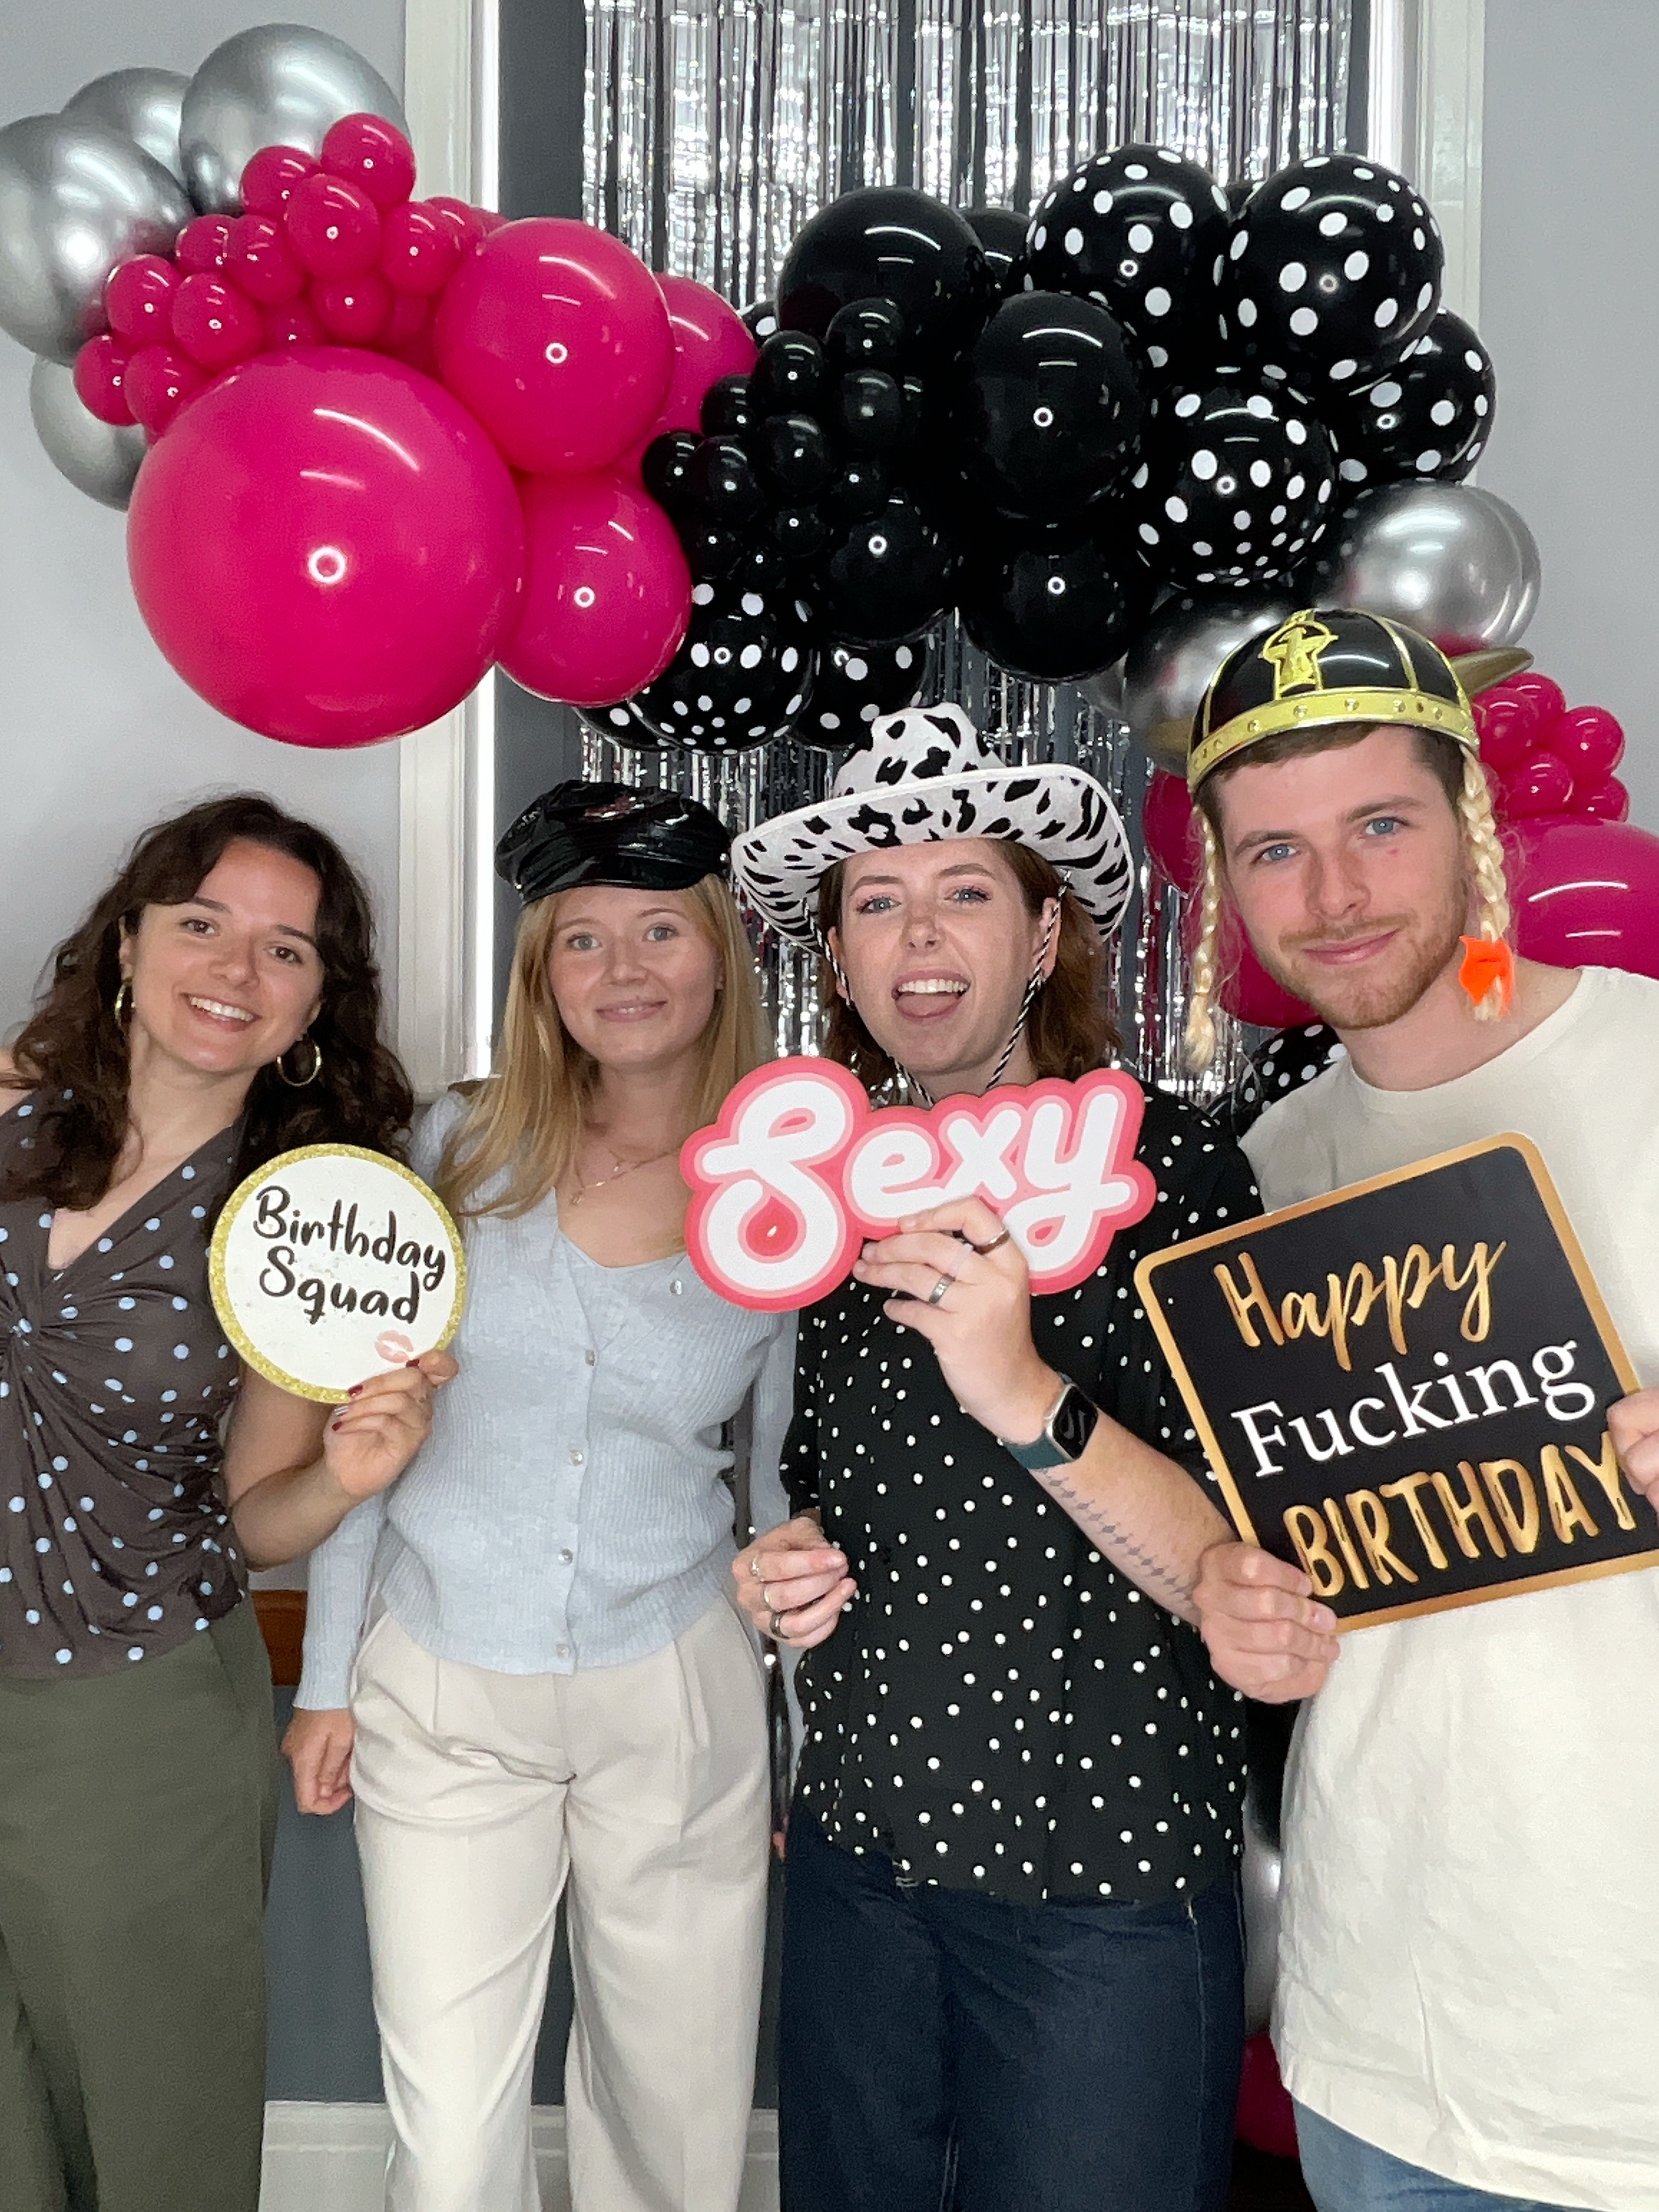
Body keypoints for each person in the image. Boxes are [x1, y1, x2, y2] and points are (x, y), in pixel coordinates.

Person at [727, 705, 1259, 2212]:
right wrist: (780, 1572)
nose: (918, 932)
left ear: (1041, 936)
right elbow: (827, 1487)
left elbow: (1243, 1560)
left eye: (966, 889)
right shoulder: (825, 1211)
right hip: (863, 1859)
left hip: (1106, 1882)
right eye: (876, 902)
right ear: (837, 958)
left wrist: (1019, 1384)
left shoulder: (1175, 1167)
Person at [1183, 609, 1659, 2212]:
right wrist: (1241, 1603)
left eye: (1379, 826)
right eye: (1274, 854)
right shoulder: (1275, 1169)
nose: (1333, 897)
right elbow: (1302, 1547)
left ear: (1470, 819)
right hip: (1378, 2022)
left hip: (1623, 2049)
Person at [284, 781, 795, 2212]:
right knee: (450, 2139)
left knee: (674, 2118)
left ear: (718, 955)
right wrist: (326, 1676)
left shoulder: (782, 1193)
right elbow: (365, 1427)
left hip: (675, 1693)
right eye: (581, 938)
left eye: (658, 931)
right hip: (442, 1686)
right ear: (538, 971)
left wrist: (786, 1727)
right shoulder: (447, 1152)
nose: (623, 972)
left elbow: (779, 1485)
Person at [0, 794, 450, 2212]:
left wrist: (347, 1473)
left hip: (128, 1707)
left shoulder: (300, 1217)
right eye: (202, 922)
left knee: (153, 2110)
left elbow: (255, 1512)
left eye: (286, 949)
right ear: (128, 939)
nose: (234, 967)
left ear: (319, 1001)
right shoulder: (11, 1118)